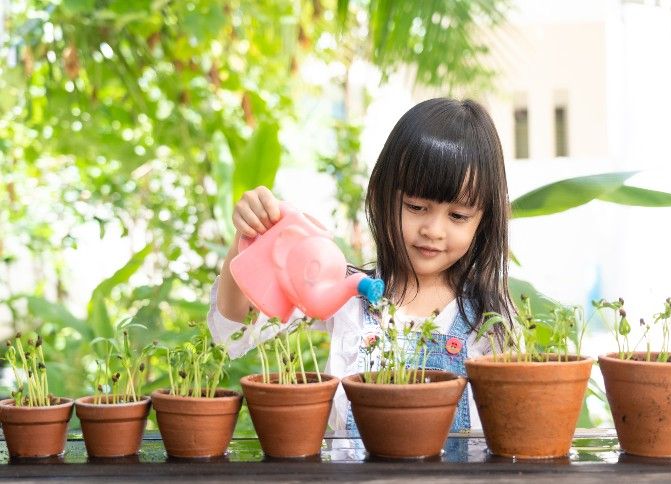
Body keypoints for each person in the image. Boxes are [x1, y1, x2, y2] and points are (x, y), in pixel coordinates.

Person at [208, 97, 512, 432]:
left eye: (457, 216)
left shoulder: (490, 318)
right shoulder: (345, 294)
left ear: (483, 221)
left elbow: (512, 426)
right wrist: (244, 240)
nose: (433, 230)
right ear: (384, 198)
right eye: (415, 206)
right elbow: (233, 330)